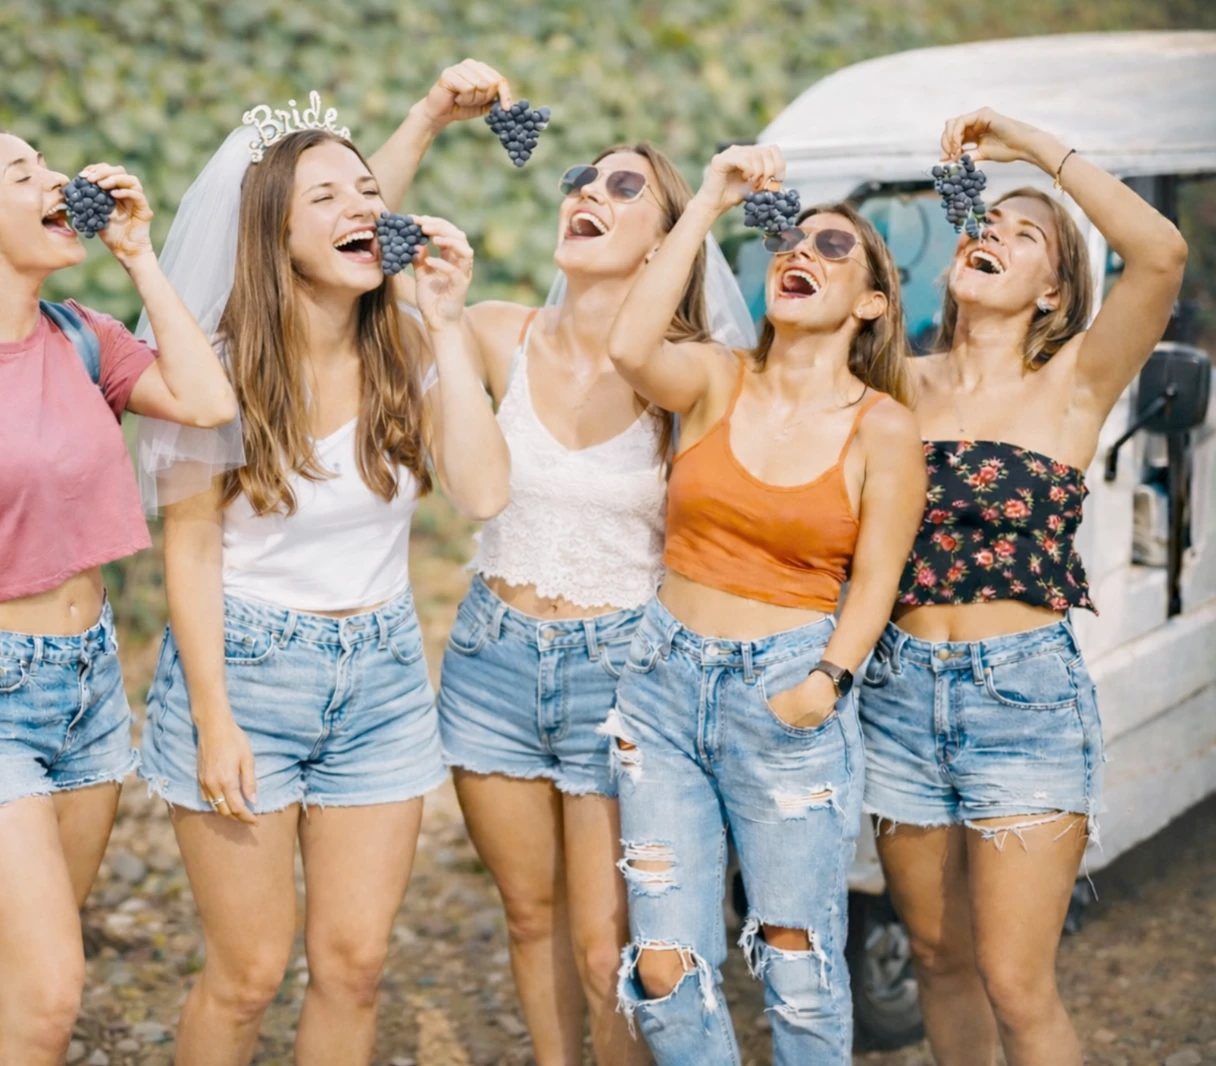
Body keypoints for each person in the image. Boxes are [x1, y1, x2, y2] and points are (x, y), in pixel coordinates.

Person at [369, 60, 755, 1066]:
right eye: (583, 176)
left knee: (602, 943)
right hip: (490, 662)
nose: (589, 190)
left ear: (668, 242)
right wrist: (430, 115)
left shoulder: (686, 376)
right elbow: (361, 242)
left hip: (622, 674)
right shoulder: (499, 332)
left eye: (625, 187)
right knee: (528, 918)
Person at [0, 125, 235, 1066]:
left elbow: (208, 402)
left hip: (89, 687)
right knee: (48, 992)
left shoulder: (82, 336)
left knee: (40, 979)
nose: (58, 181)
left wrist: (140, 256)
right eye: (25, 173)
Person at [140, 114, 509, 1065]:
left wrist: (448, 323)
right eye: (328, 196)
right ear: (277, 233)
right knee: (248, 973)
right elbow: (191, 547)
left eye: (369, 192)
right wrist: (213, 719)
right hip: (244, 670)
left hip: (382, 681)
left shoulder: (410, 348)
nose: (362, 207)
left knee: (355, 967)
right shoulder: (218, 367)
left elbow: (483, 493)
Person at [862, 108, 1187, 1066]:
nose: (992, 233)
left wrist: (1035, 147)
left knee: (1016, 981)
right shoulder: (893, 382)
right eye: (984, 222)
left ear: (1055, 290)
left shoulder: (1075, 381)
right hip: (896, 694)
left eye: (1026, 234)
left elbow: (1161, 254)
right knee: (939, 960)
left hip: (1024, 699)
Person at [603, 144, 927, 1065]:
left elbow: (878, 579)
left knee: (797, 959)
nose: (802, 253)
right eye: (792, 241)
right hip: (662, 689)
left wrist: (825, 684)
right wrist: (709, 196)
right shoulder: (717, 377)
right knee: (663, 966)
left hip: (787, 692)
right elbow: (629, 347)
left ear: (872, 303)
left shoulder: (883, 427)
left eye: (833, 247)